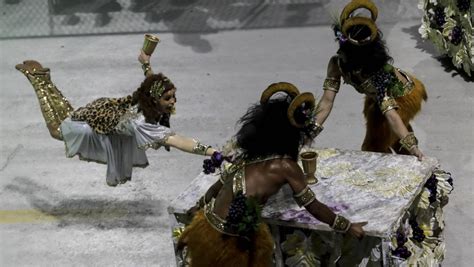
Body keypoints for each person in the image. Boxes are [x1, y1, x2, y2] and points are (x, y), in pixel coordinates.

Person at [177, 82, 367, 266]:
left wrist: (198, 207)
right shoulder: (286, 167)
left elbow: (217, 187)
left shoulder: (247, 158)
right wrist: (347, 226)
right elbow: (314, 207)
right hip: (229, 243)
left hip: (205, 228)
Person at [15, 50, 217, 187]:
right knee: (57, 130)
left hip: (103, 117)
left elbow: (150, 80)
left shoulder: (147, 99)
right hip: (95, 129)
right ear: (155, 99)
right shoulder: (146, 126)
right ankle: (37, 80)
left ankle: (44, 80)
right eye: (167, 98)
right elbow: (180, 142)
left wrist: (146, 61)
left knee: (68, 116)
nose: (173, 101)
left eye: (173, 96)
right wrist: (212, 152)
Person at [314, 0, 427, 161]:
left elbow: (391, 114)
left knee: (373, 146)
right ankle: (409, 159)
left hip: (405, 96)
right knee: (387, 137)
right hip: (377, 98)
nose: (341, 54)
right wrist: (309, 133)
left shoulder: (378, 73)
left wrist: (413, 147)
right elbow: (326, 102)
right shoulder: (336, 64)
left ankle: (406, 166)